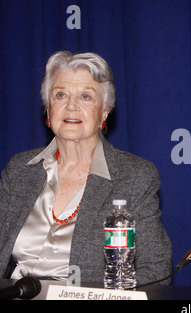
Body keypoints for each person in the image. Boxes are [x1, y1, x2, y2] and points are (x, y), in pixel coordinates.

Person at [0, 51, 172, 285]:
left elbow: (155, 270)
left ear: (104, 112)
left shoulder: (134, 176)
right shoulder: (20, 169)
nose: (71, 106)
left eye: (85, 97)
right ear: (48, 110)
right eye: (60, 95)